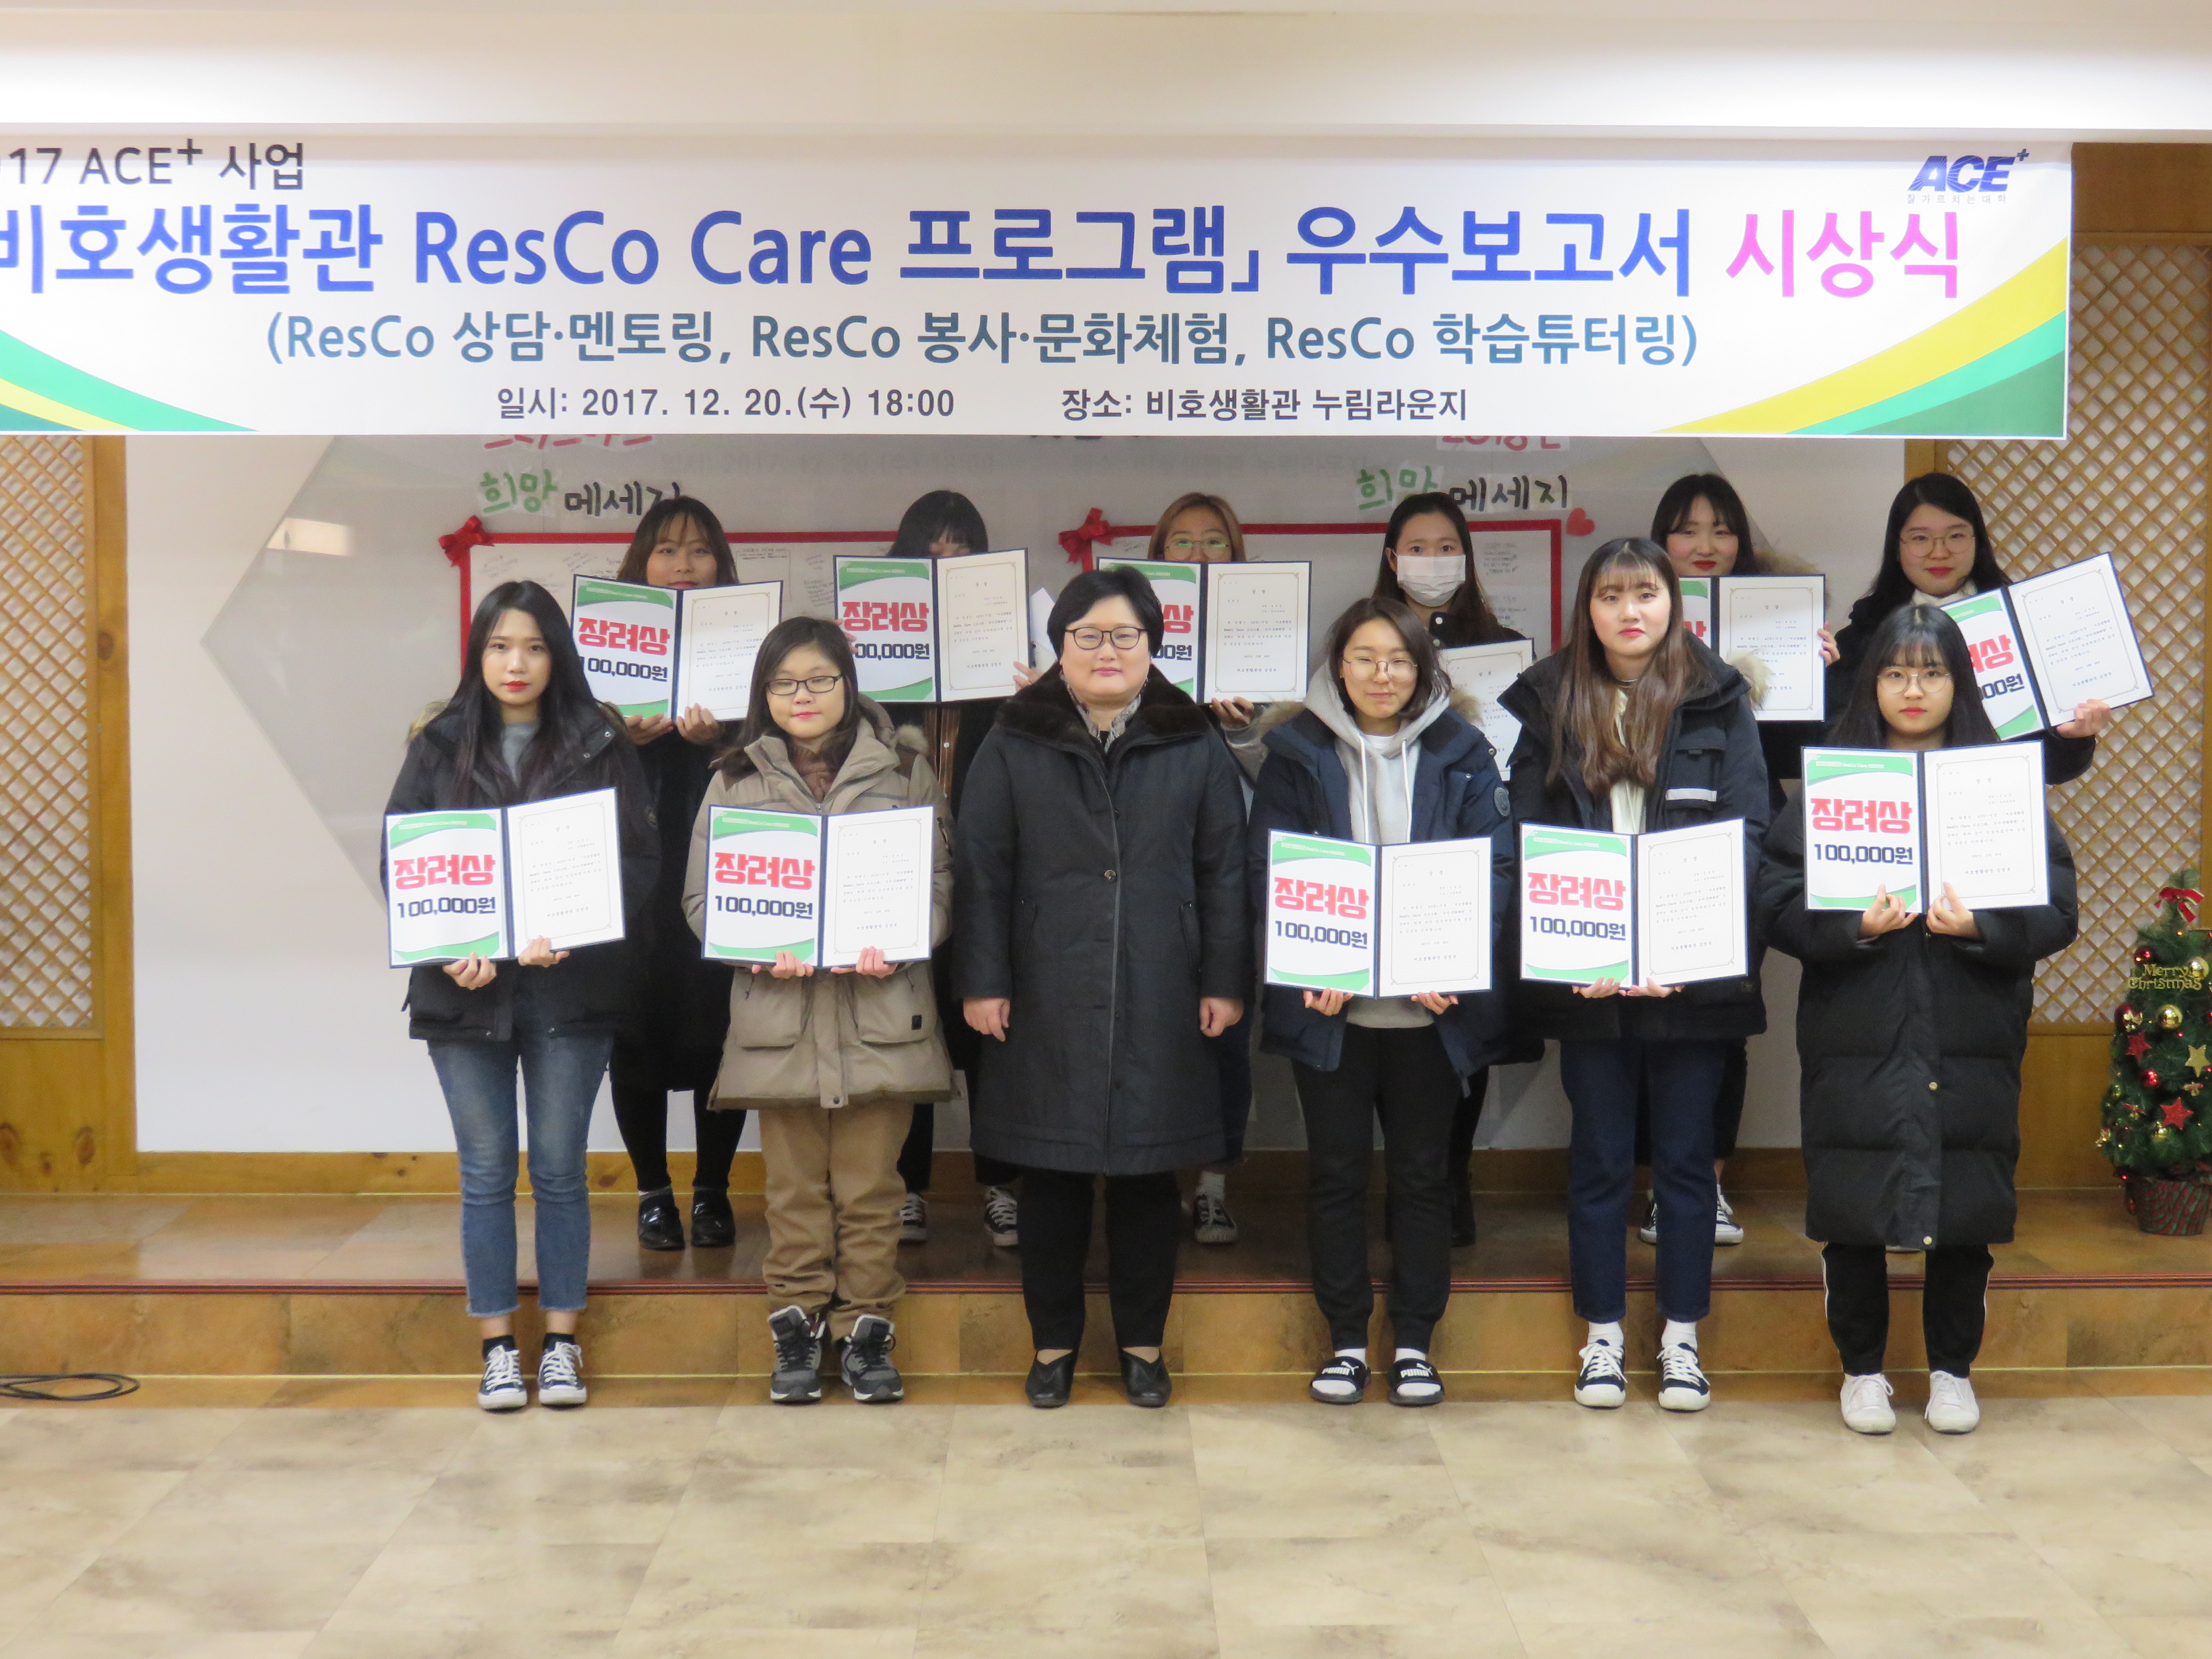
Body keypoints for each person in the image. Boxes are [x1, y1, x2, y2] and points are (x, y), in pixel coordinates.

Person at [1755, 605, 2077, 1435]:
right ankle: (1861, 1372)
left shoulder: (2000, 783)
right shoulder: (1835, 785)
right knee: (1853, 1200)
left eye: (1931, 673)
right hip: (1855, 1027)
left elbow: (2057, 910)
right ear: (1871, 682)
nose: (1912, 688)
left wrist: (1982, 928)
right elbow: (1775, 901)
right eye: (1896, 672)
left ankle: (1951, 1372)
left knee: (1965, 1206)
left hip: (1972, 1025)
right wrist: (1851, 927)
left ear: (1958, 684)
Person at [956, 565, 1250, 1409]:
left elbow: (1224, 868)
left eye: (1125, 635)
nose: (1106, 650)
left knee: (1146, 1180)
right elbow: (982, 868)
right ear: (1059, 649)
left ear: (1153, 646)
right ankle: (1052, 1348)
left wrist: (1224, 979)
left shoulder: (1191, 738)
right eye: (1087, 636)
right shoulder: (1014, 737)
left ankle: (1142, 1349)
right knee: (1048, 1176)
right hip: (1042, 986)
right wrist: (982, 979)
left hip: (1165, 984)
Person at [1499, 539, 1770, 1414]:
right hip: (1590, 978)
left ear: (1672, 604)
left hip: (1692, 980)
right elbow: (1525, 837)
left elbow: (1750, 832)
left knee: (1687, 1166)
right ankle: (1603, 1339)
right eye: (1611, 595)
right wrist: (1574, 954)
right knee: (1599, 1163)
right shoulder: (1549, 701)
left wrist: (1681, 953)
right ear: (1587, 607)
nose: (1629, 611)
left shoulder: (1721, 697)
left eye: (1645, 594)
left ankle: (1682, 1341)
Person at [384, 580, 656, 1412]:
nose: (516, 663)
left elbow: (638, 860)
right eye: (501, 646)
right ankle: (498, 1348)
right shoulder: (438, 742)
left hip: (571, 989)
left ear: (557, 656)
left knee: (561, 1169)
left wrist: (573, 926)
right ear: (478, 653)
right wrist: (446, 948)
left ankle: (563, 1344)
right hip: (464, 995)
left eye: (534, 647)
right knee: (485, 1173)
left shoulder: (600, 740)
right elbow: (405, 862)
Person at [1248, 597, 1515, 1407]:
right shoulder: (1294, 752)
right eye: (1364, 658)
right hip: (1330, 1010)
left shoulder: (1463, 750)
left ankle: (1413, 1344)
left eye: (1398, 660)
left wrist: (1453, 958)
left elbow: (1494, 867)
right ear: (1338, 666)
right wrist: (1311, 959)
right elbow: (1268, 868)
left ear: (1423, 670)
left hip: (1429, 1012)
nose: (1381, 674)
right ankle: (1342, 1342)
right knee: (1334, 1175)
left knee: (1422, 1178)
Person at [683, 617, 954, 1405]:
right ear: (762, 694)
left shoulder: (907, 770)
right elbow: (701, 898)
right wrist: (753, 948)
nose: (801, 696)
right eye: (783, 684)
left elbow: (941, 883)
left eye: (818, 680)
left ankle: (867, 1331)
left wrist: (904, 940)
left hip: (880, 1014)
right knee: (794, 1193)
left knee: (872, 1191)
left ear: (848, 683)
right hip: (781, 1021)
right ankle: (797, 1328)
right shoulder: (733, 777)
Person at [1639, 472, 1840, 1252]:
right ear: (1661, 541)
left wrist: (1814, 678)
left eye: (1720, 529)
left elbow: (1803, 757)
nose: (1704, 544)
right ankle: (1658, 1187)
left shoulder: (1777, 617)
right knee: (1640, 1025)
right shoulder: (1629, 621)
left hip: (1741, 843)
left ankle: (1706, 1186)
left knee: (1721, 1020)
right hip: (1644, 841)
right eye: (1686, 529)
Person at [1371, 489, 1533, 1245]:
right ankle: (1411, 1180)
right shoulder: (1365, 644)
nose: (1432, 562)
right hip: (1386, 858)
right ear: (1391, 557)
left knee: (1464, 1026)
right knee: (1391, 1032)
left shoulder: (1505, 649)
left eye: (1446, 549)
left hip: (1472, 857)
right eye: (1418, 548)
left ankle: (1452, 1174)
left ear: (1466, 559)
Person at [882, 488, 1024, 1251]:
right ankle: (907, 1188)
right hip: (895, 877)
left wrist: (1033, 699)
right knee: (908, 1024)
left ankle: (1002, 1184)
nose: (943, 564)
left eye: (960, 550)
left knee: (992, 1029)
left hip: (989, 876)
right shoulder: (870, 662)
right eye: (928, 550)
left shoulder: (1011, 658)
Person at [606, 496, 745, 1253]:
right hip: (632, 872)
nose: (683, 566)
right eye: (666, 550)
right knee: (633, 1029)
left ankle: (713, 1190)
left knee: (721, 1026)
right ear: (642, 562)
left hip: (721, 865)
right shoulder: (603, 646)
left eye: (699, 550)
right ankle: (653, 1192)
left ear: (721, 562)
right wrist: (617, 736)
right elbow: (570, 753)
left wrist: (723, 738)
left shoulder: (748, 643)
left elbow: (778, 745)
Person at [1829, 473, 2111, 785]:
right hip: (1891, 792)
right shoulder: (1866, 632)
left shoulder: (2022, 623)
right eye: (1921, 539)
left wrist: (2073, 739)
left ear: (1978, 541)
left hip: (1994, 794)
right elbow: (1836, 743)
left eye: (1956, 536)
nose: (1939, 552)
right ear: (1897, 547)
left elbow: (2054, 769)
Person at [1148, 490, 1262, 1246]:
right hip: (1152, 871)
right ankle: (1154, 1181)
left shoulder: (1266, 645)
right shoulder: (1127, 646)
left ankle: (1215, 1183)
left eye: (1213, 541)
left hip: (1231, 870)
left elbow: (1284, 775)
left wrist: (1245, 730)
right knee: (1157, 1030)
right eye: (1181, 541)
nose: (1196, 554)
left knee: (1226, 1026)